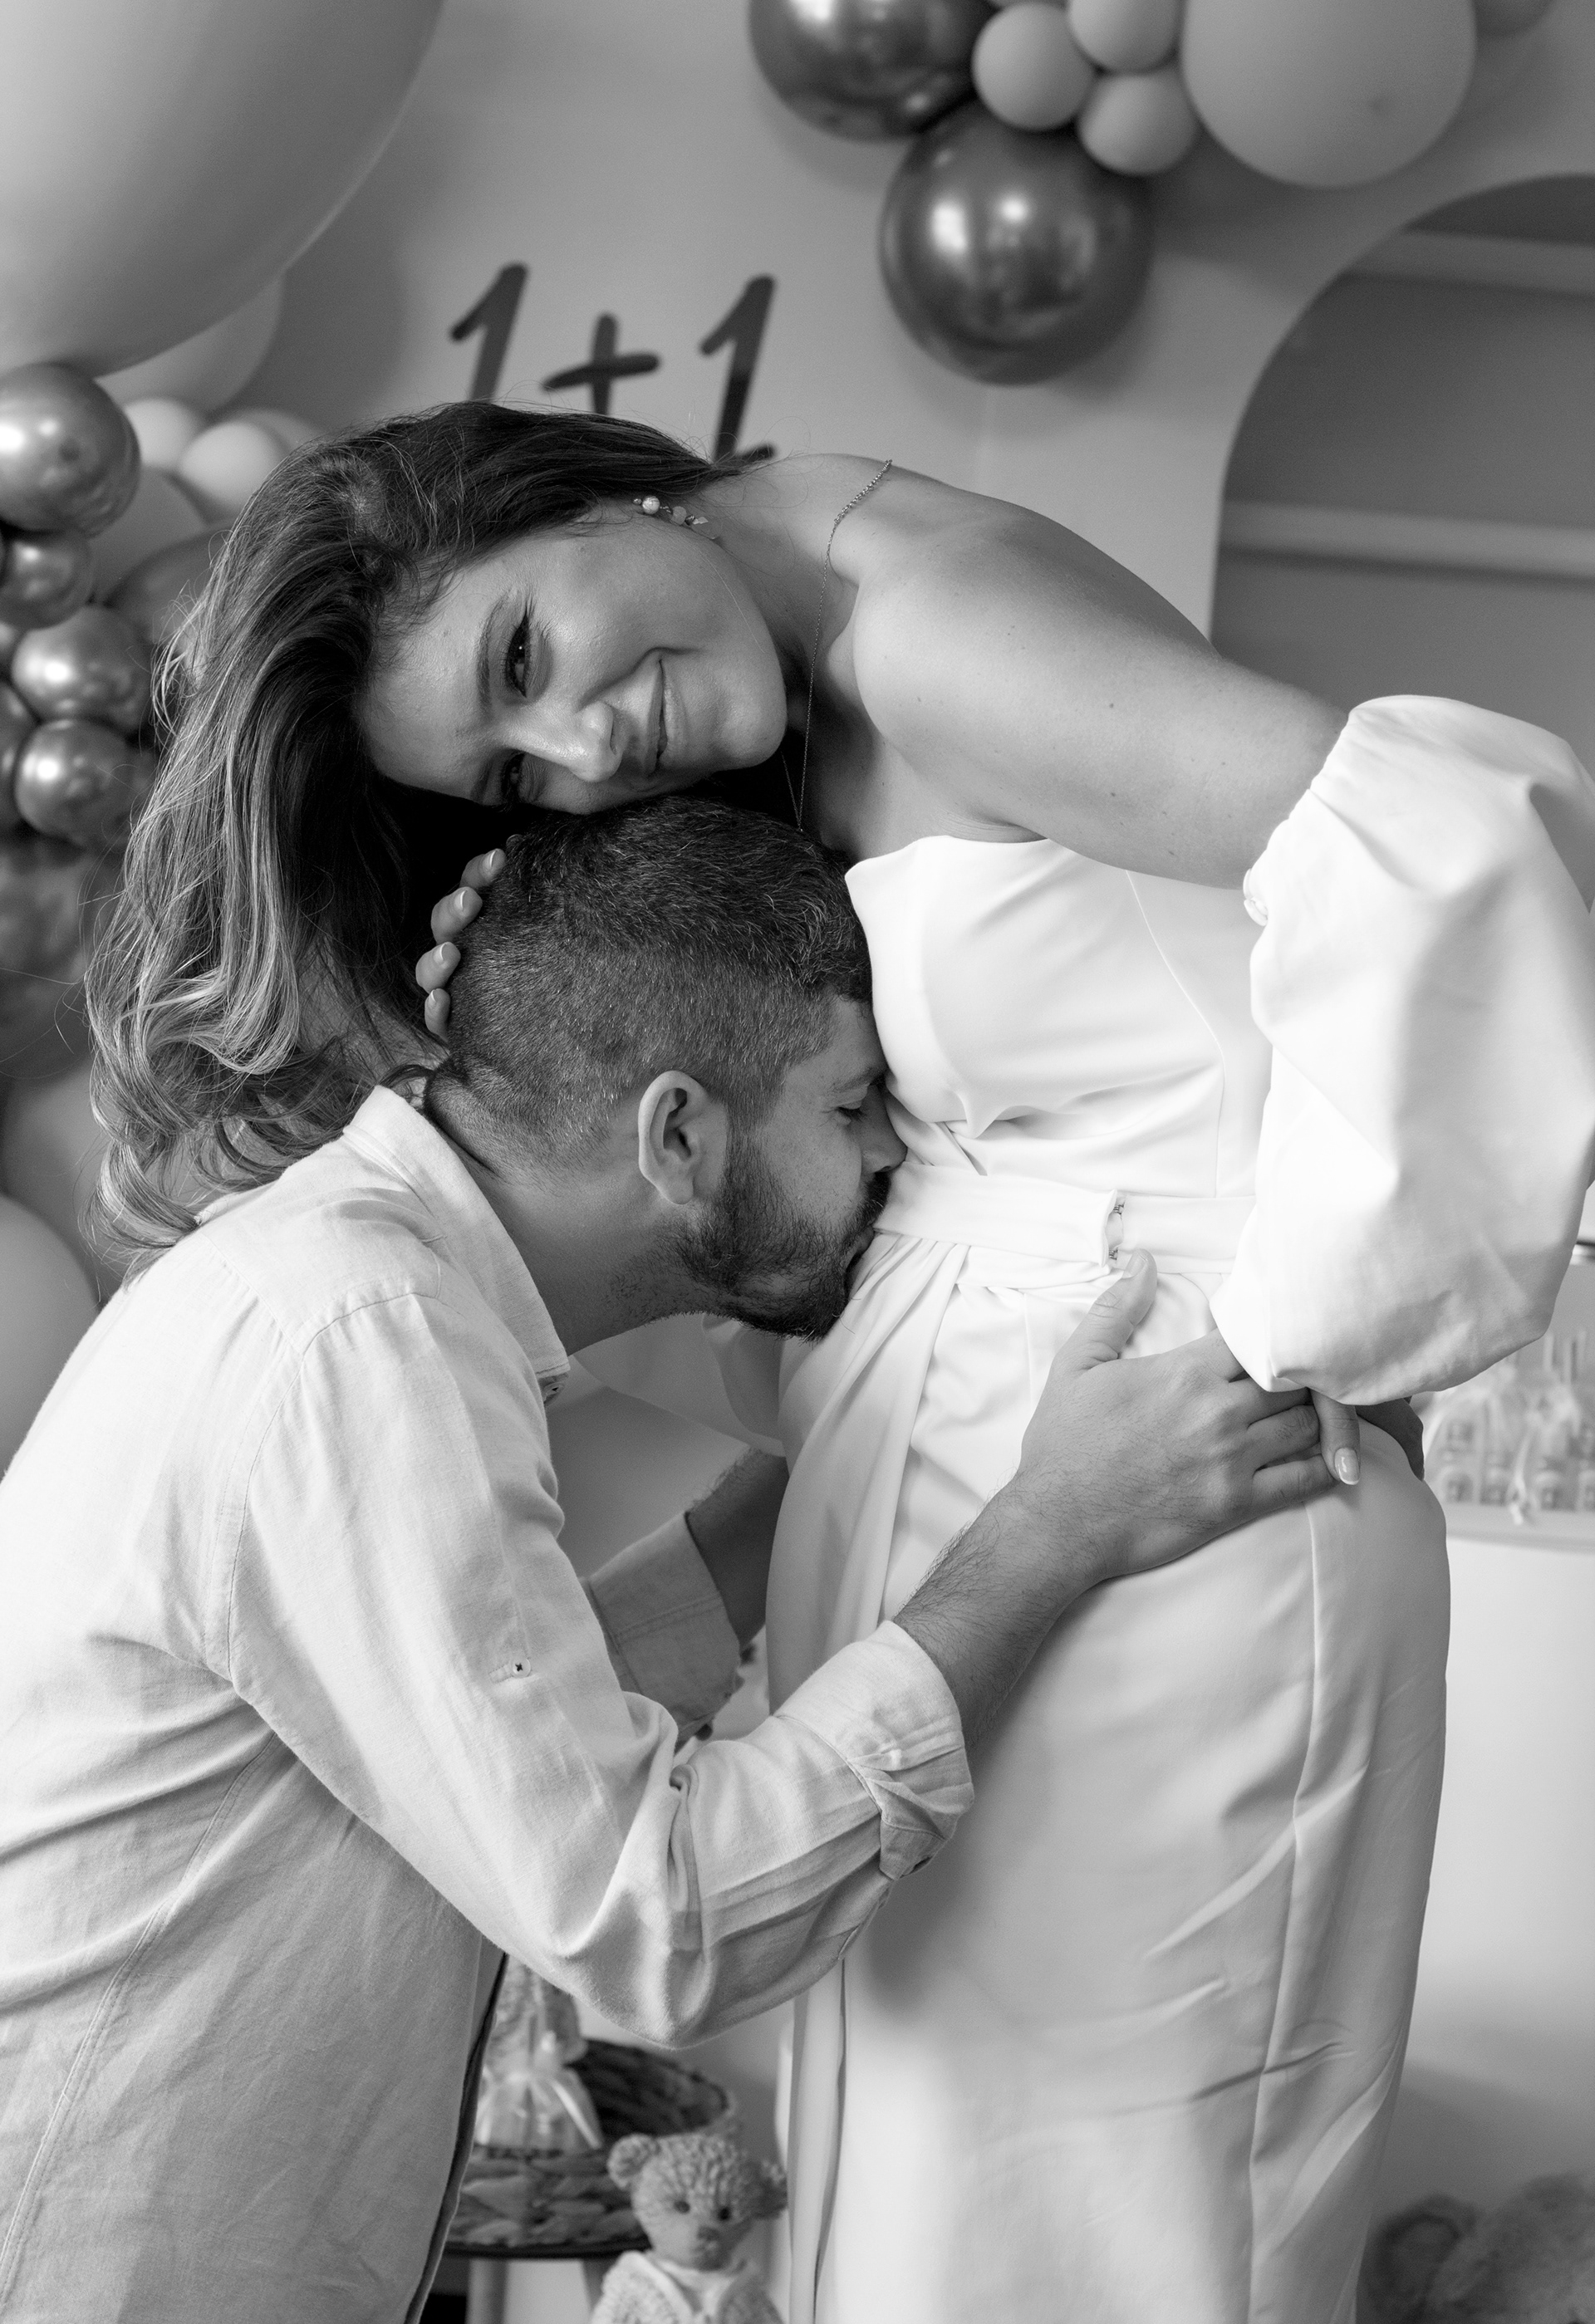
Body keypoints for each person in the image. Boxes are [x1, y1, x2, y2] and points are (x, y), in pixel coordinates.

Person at [86, 404, 1595, 2324]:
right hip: (1025, 1513)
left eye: (525, 656)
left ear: (568, 495)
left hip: (1168, 1488)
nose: (583, 751)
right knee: (945, 2200)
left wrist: (1300, 1331)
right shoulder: (791, 671)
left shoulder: (935, 624)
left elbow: (1442, 840)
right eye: (514, 768)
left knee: (1120, 2213)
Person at [0, 803, 1332, 2324]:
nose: (889, 1151)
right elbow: (658, 1922)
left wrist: (865, 1475)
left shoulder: (349, 1283)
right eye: (851, 1106)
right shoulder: (367, 1338)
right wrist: (1048, 1535)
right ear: (678, 1135)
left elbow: (487, 1730)